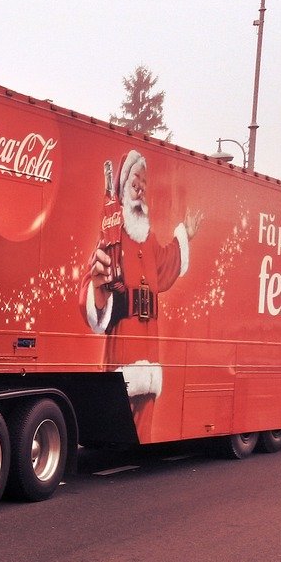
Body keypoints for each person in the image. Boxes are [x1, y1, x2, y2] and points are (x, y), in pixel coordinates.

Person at [82, 149, 202, 437]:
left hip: (150, 345)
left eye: (144, 182)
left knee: (145, 419)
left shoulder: (147, 238)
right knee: (118, 416)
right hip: (123, 342)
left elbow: (166, 263)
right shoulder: (111, 233)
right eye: (136, 180)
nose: (141, 187)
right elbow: (94, 277)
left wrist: (184, 236)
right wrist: (99, 291)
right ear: (124, 186)